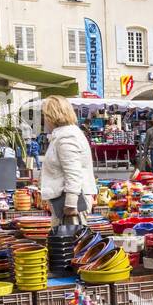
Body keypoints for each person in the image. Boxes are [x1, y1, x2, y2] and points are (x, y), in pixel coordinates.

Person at [39, 95, 97, 225]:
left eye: (45, 115)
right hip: (67, 201)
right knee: (68, 241)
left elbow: (73, 172)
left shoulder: (67, 136)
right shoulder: (65, 134)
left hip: (71, 203)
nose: (44, 119)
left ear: (52, 115)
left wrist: (71, 204)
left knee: (69, 241)